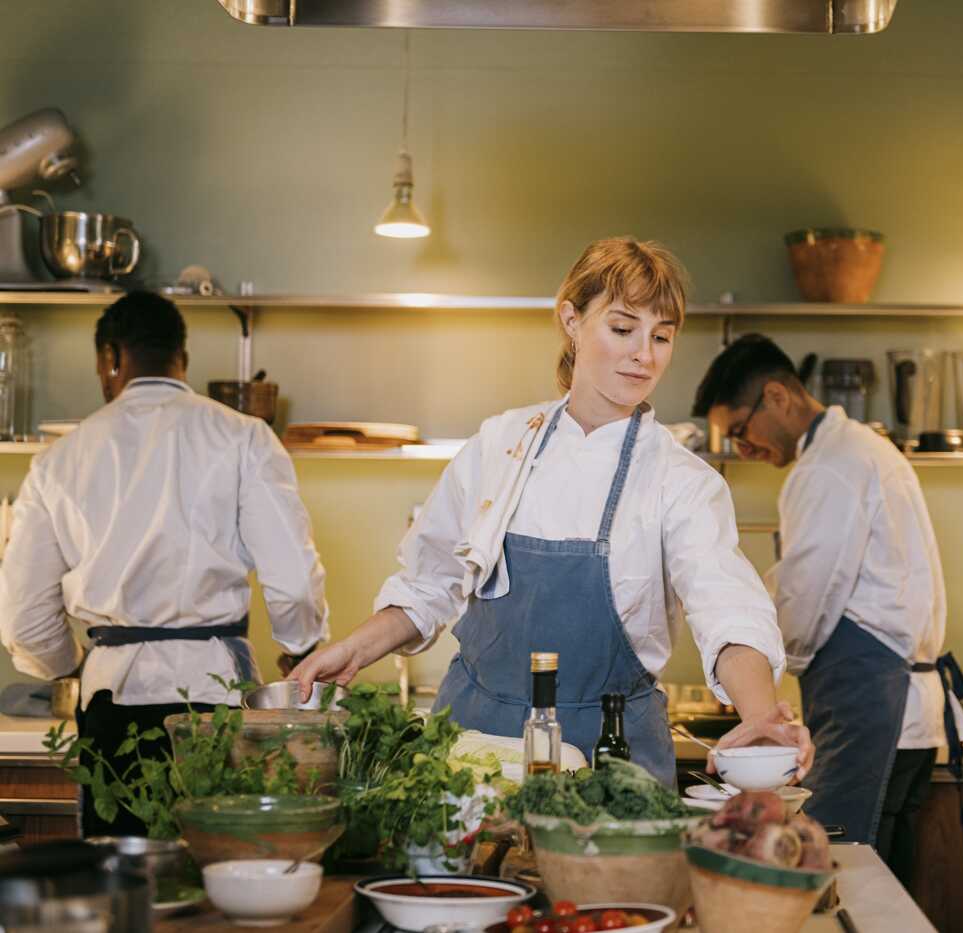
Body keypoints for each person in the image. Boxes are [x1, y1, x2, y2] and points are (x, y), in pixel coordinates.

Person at [291, 238, 812, 785]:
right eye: (622, 328)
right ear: (571, 320)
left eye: (662, 336)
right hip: (474, 744)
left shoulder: (680, 480)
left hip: (609, 757)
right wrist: (352, 651)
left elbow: (726, 607)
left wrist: (758, 713)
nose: (645, 354)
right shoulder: (499, 446)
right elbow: (428, 585)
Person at [0, 291, 330, 836]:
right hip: (215, 696)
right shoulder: (244, 436)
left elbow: (25, 623)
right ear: (184, 357)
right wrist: (300, 651)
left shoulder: (59, 459)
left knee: (125, 879)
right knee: (220, 866)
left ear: (110, 359)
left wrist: (70, 666)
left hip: (110, 701)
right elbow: (293, 585)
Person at [693, 333, 963, 888]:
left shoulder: (827, 468)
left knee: (836, 879)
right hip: (902, 719)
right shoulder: (858, 450)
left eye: (741, 432)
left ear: (778, 396)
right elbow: (812, 581)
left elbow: (805, 600)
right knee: (879, 884)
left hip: (870, 713)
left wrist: (752, 674)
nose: (743, 450)